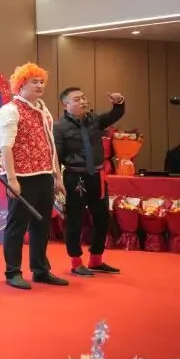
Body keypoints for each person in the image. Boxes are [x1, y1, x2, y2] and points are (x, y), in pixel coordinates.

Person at [0, 63, 67, 289]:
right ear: (21, 84)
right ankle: (13, 271)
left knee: (42, 224)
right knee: (17, 225)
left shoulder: (44, 109)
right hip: (21, 176)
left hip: (44, 174)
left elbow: (50, 144)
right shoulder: (10, 109)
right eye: (34, 82)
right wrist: (11, 180)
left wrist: (57, 175)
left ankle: (40, 269)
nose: (40, 85)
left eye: (41, 81)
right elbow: (5, 147)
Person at [54, 87, 125, 276]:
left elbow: (114, 115)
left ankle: (96, 260)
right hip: (75, 177)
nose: (83, 101)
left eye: (84, 98)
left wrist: (118, 104)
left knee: (102, 218)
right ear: (66, 105)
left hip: (97, 176)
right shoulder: (59, 127)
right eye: (77, 99)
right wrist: (56, 179)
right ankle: (76, 262)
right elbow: (56, 156)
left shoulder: (94, 119)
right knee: (75, 220)